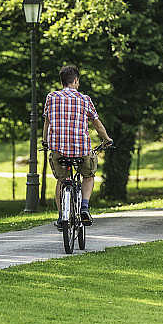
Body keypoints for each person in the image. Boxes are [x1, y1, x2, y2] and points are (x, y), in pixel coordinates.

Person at [42, 65, 113, 229]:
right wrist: (106, 139)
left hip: (58, 150)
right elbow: (97, 124)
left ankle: (61, 216)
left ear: (62, 82)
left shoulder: (51, 97)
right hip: (81, 150)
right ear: (75, 81)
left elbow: (47, 122)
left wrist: (46, 141)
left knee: (62, 179)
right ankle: (84, 207)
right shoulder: (84, 99)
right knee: (88, 175)